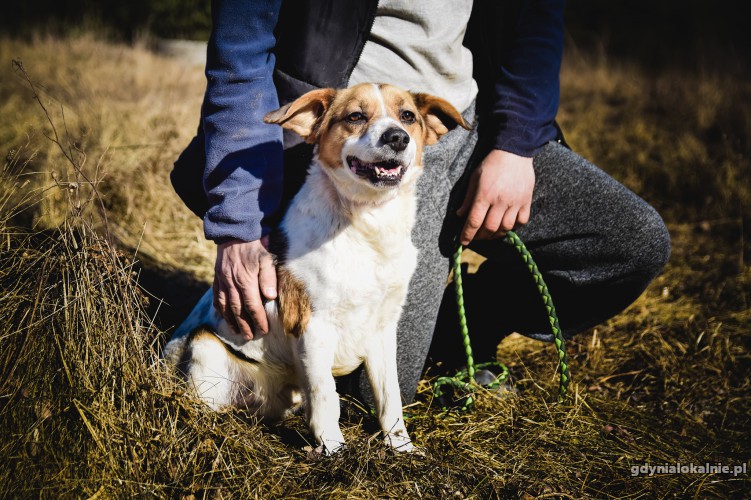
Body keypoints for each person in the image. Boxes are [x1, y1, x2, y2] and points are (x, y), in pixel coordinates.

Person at [171, 0, 670, 404]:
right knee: (379, 395)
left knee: (635, 242)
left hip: (468, 121)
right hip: (345, 139)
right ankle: (265, 312)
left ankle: (463, 328)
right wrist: (239, 225)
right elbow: (240, 52)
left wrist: (515, 144)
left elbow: (537, 16)